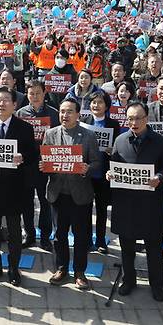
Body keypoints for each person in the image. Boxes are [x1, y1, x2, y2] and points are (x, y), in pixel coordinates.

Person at [106, 101, 163, 302]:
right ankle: (129, 280)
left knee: (154, 248)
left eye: (138, 118)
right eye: (130, 118)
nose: (134, 122)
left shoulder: (160, 142)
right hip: (126, 203)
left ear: (146, 119)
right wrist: (110, 173)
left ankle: (156, 285)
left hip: (151, 204)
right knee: (126, 246)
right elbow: (114, 165)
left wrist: (159, 178)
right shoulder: (120, 140)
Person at [0, 87, 39, 287]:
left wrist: (23, 157)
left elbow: (34, 156)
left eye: (5, 100)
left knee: (13, 231)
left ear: (14, 104)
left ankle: (13, 268)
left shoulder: (25, 128)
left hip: (14, 188)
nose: (1, 104)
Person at [41, 98, 101, 291]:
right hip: (58, 194)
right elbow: (45, 161)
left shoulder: (89, 136)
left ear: (78, 115)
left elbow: (98, 163)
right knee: (59, 235)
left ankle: (80, 272)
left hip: (80, 195)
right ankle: (61, 268)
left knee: (81, 235)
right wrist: (44, 167)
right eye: (62, 111)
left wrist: (86, 168)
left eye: (69, 112)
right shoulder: (50, 134)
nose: (64, 115)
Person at [16, 79, 59, 250]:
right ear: (27, 94)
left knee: (45, 201)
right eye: (31, 93)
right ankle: (30, 234)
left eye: (38, 93)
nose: (35, 97)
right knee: (26, 201)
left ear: (44, 93)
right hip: (26, 165)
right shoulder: (20, 113)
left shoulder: (54, 114)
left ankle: (46, 236)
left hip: (45, 165)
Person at [80, 90, 121, 253]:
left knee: (102, 209)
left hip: (104, 173)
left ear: (106, 106)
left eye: (100, 102)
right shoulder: (83, 121)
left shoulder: (113, 124)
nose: (96, 105)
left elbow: (117, 148)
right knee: (86, 208)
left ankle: (101, 240)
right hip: (88, 173)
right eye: (93, 102)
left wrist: (112, 150)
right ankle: (88, 239)